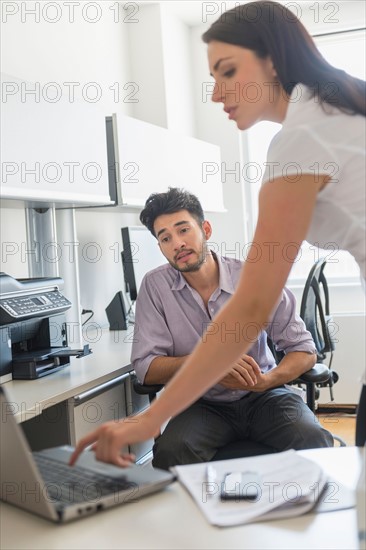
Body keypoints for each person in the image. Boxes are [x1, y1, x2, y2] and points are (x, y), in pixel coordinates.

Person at [70, 1, 365, 467]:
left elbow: (249, 311)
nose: (215, 93)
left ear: (272, 59)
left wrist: (148, 420)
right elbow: (150, 363)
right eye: (163, 237)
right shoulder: (336, 111)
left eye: (227, 72)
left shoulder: (303, 137)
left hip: (265, 397)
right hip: (207, 406)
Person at [131, 188, 333, 470]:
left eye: (183, 230)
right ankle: (207, 515)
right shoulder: (155, 287)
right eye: (165, 238)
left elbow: (304, 351)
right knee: (171, 453)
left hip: (264, 395)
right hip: (202, 403)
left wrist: (267, 380)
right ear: (161, 247)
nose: (177, 243)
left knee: (312, 439)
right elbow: (146, 367)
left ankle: (297, 511)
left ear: (206, 229)